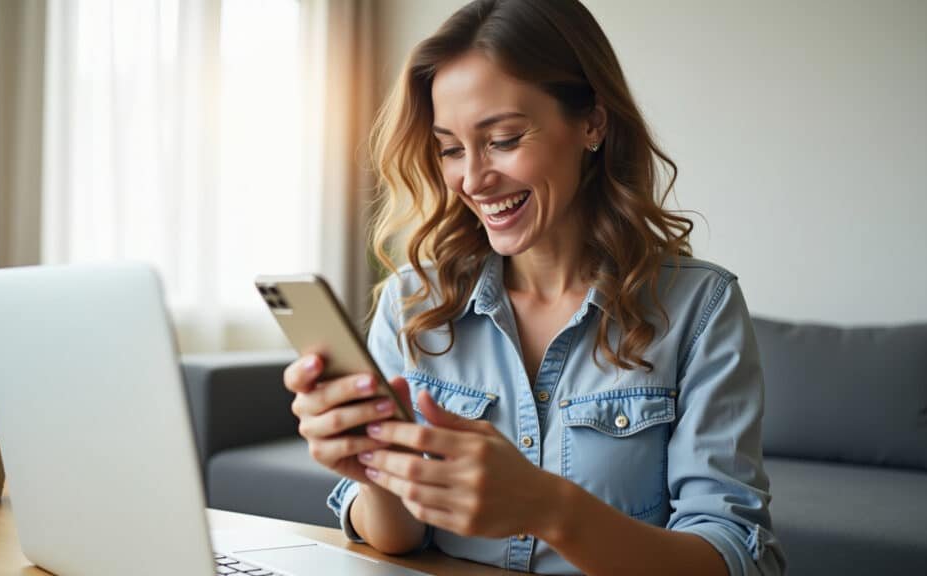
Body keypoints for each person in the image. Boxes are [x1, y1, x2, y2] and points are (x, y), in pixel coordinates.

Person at [283, 0, 785, 574]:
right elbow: (400, 538)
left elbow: (734, 556)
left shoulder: (700, 308)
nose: (472, 179)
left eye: (503, 138)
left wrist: (548, 507)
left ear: (592, 122)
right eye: (450, 148)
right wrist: (373, 469)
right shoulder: (414, 304)